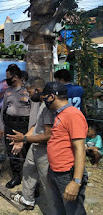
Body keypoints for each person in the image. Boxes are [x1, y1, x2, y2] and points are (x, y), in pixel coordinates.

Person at [7, 77, 55, 213]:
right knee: (28, 170)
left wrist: (25, 139)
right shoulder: (41, 105)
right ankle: (28, 200)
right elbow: (35, 126)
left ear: (37, 90)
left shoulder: (47, 107)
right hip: (35, 145)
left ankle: (55, 209)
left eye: (29, 92)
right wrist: (22, 140)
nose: (28, 95)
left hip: (44, 150)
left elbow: (49, 135)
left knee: (47, 182)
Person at [43, 82, 88, 215]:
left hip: (67, 174)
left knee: (74, 212)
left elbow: (80, 148)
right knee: (61, 210)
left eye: (45, 97)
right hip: (57, 173)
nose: (44, 100)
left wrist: (76, 181)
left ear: (52, 97)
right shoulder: (60, 114)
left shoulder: (72, 115)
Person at [0, 64, 31, 188]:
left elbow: (33, 111)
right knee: (12, 152)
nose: (7, 79)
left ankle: (31, 180)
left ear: (15, 77)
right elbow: (3, 110)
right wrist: (1, 126)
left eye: (8, 77)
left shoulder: (27, 91)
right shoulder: (8, 92)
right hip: (10, 124)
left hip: (24, 126)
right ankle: (16, 176)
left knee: (27, 152)